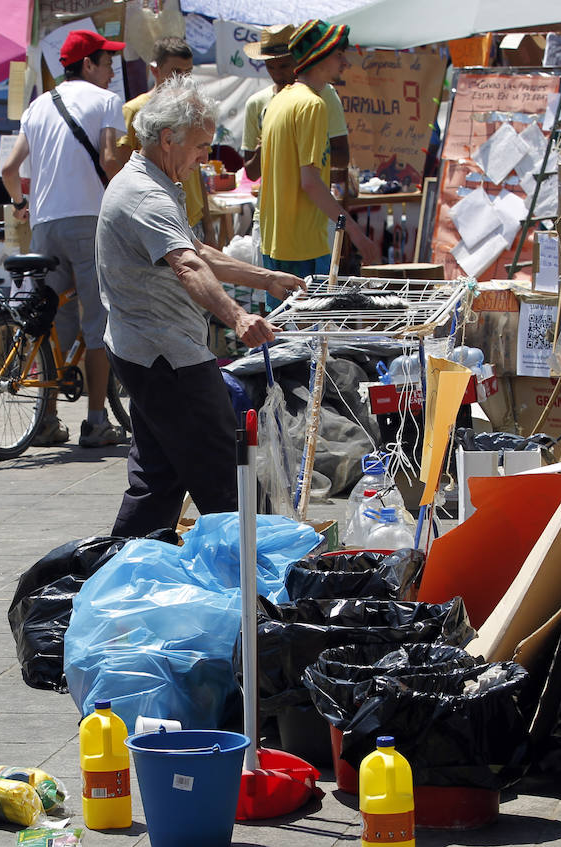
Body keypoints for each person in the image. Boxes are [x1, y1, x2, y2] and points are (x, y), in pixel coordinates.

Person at [97, 76, 306, 537]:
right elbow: (188, 265)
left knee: (157, 479)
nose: (204, 158)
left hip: (146, 349)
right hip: (166, 355)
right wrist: (238, 316)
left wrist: (266, 278)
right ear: (168, 138)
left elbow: (197, 250)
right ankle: (252, 585)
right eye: (201, 146)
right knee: (224, 475)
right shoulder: (145, 195)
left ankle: (121, 569)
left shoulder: (150, 180)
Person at [0, 29, 128, 449]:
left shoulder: (37, 106)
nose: (112, 71)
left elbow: (9, 168)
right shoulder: (106, 102)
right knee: (97, 323)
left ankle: (46, 420)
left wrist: (21, 200)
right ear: (88, 64)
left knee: (46, 322)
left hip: (44, 224)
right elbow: (110, 160)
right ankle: (95, 422)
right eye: (107, 62)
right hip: (90, 221)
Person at [258, 20, 378, 309]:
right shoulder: (313, 104)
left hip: (275, 240)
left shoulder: (279, 100)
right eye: (339, 55)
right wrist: (357, 234)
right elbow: (310, 182)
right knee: (309, 343)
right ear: (320, 56)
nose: (345, 63)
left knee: (282, 341)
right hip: (305, 244)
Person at [119, 37, 210, 240]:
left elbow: (198, 174)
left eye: (188, 73)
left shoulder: (193, 112)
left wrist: (209, 226)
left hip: (193, 219)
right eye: (176, 72)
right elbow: (123, 171)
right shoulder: (134, 110)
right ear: (155, 70)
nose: (183, 80)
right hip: (158, 220)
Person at [240, 25, 349, 189]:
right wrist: (267, 148)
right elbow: (252, 172)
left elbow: (341, 159)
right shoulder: (257, 103)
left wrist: (289, 151)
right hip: (270, 206)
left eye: (284, 66)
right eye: (270, 67)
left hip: (309, 206)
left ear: (299, 61)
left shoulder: (321, 98)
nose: (277, 74)